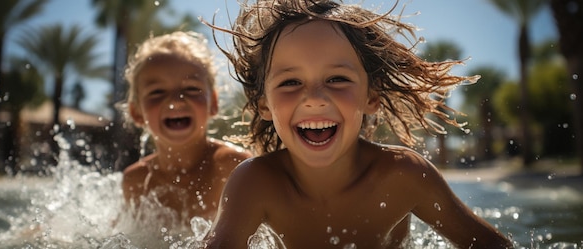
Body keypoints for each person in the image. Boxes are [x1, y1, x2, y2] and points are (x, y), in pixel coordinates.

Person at [200, 0, 514, 248]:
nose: (314, 98)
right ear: (264, 104)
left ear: (371, 96)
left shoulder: (402, 175)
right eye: (291, 82)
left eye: (337, 79)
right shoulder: (255, 183)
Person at [121, 31, 252, 223]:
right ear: (137, 113)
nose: (175, 101)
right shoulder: (136, 181)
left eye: (191, 89)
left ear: (213, 103)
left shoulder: (235, 167)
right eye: (157, 92)